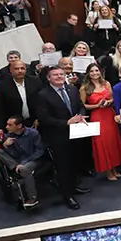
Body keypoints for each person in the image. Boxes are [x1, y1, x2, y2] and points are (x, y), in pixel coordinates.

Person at [36, 67, 91, 210]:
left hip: (76, 133)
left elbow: (80, 106)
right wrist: (66, 122)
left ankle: (74, 187)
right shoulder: (42, 95)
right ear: (49, 78)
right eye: (55, 75)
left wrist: (80, 116)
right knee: (63, 166)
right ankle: (67, 195)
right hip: (58, 136)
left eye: (62, 74)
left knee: (74, 162)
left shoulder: (72, 89)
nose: (59, 77)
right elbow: (44, 118)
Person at [79, 63, 121, 181]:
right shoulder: (84, 88)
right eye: (92, 71)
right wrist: (96, 105)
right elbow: (82, 105)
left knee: (112, 142)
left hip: (109, 114)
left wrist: (109, 102)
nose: (95, 73)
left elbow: (112, 98)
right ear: (88, 73)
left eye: (97, 70)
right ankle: (107, 171)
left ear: (100, 72)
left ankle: (114, 168)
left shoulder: (107, 83)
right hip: (97, 116)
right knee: (102, 144)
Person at [0, 116, 49, 208]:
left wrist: (24, 162)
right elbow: (13, 154)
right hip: (18, 160)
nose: (6, 127)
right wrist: (6, 146)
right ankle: (16, 167)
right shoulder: (9, 135)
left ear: (19, 126)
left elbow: (39, 151)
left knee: (24, 168)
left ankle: (32, 198)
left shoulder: (33, 133)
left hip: (33, 159)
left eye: (10, 125)